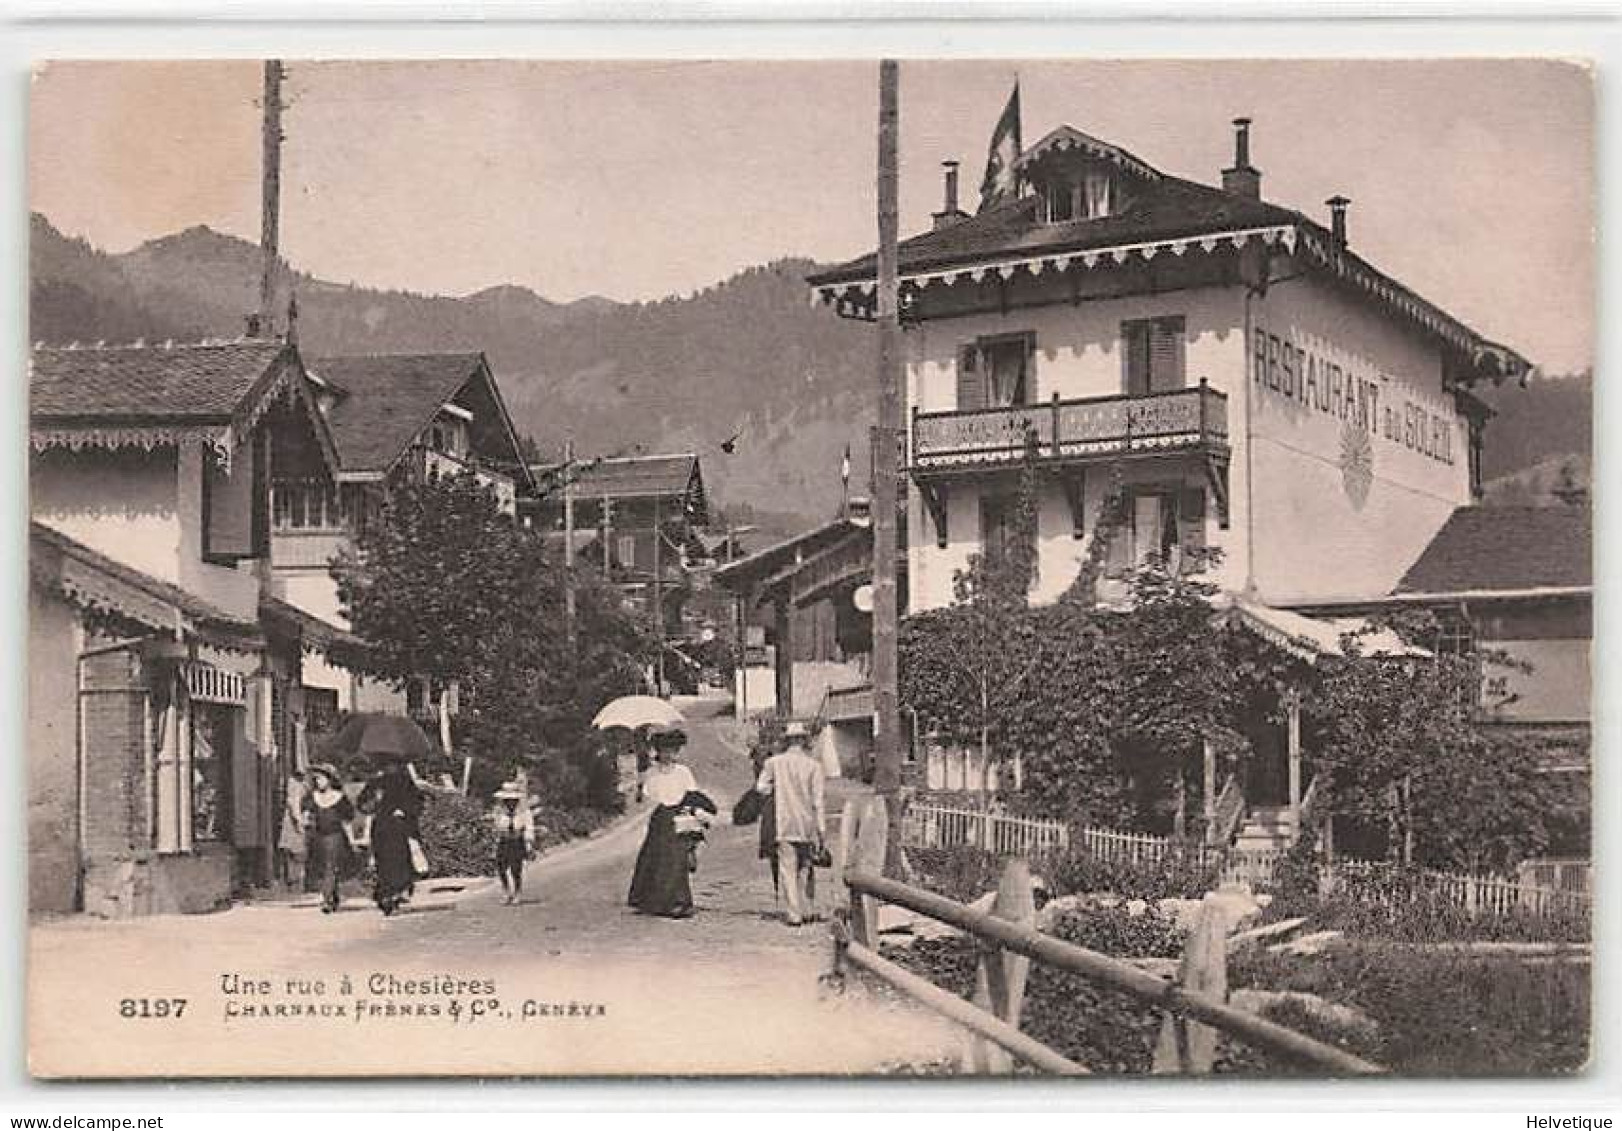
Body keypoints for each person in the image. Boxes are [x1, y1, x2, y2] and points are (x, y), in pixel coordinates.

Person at [627, 723, 715, 919]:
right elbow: (646, 797)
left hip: (680, 815)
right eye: (665, 751)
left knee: (677, 860)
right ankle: (654, 901)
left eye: (672, 751)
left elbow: (692, 793)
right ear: (658, 751)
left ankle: (679, 901)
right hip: (660, 818)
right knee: (656, 858)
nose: (669, 755)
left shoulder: (683, 772)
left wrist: (694, 813)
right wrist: (640, 787)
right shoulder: (651, 772)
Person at [755, 720, 827, 927]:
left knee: (787, 867)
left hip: (783, 821)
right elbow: (818, 801)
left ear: (786, 741)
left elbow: (760, 788)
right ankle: (806, 909)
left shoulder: (773, 763)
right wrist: (822, 832)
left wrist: (775, 789)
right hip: (807, 824)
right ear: (804, 741)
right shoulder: (814, 766)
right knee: (805, 867)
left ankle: (793, 913)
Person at [359, 762, 423, 916]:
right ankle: (387, 894)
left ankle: (396, 892)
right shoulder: (375, 783)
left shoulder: (405, 782)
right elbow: (363, 804)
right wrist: (374, 800)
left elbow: (417, 802)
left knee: (399, 860)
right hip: (381, 827)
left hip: (398, 828)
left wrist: (405, 811)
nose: (388, 767)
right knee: (383, 861)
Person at [302, 764, 354, 914]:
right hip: (318, 837)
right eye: (316, 779)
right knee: (325, 868)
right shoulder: (312, 797)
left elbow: (347, 818)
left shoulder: (339, 797)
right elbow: (306, 812)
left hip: (335, 836)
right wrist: (305, 819)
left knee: (330, 867)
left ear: (329, 779)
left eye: (321, 778)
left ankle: (327, 899)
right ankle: (334, 895)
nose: (318, 781)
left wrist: (352, 839)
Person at [490, 781, 536, 905]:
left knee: (516, 869)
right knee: (501, 867)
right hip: (504, 841)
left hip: (517, 841)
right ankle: (506, 891)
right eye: (507, 800)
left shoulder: (524, 812)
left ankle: (517, 892)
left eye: (513, 800)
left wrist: (529, 843)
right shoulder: (499, 812)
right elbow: (495, 827)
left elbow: (529, 827)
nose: (510, 802)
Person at [278, 770, 309, 889]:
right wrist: (300, 822)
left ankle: (291, 879)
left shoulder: (293, 786)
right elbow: (295, 806)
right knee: (297, 851)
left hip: (290, 821)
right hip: (294, 823)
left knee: (290, 851)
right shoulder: (297, 787)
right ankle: (295, 879)